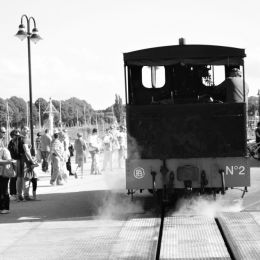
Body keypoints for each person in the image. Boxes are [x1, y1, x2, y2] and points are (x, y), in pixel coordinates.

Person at [0, 147, 14, 214]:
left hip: (3, 173)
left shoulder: (4, 150)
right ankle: (1, 207)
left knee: (4, 190)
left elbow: (9, 161)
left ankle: (5, 208)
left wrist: (1, 161)